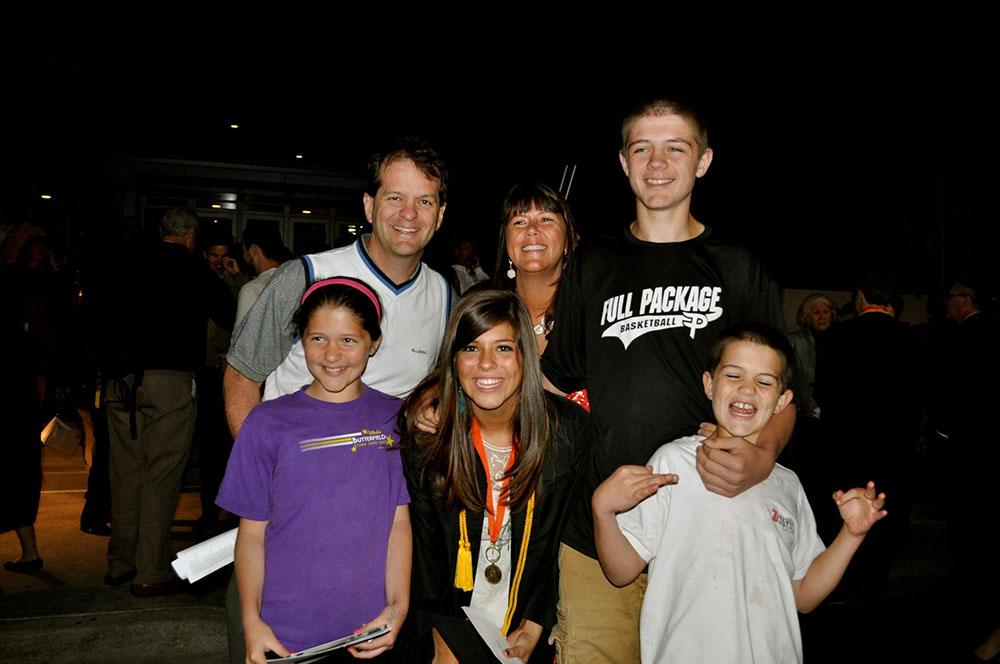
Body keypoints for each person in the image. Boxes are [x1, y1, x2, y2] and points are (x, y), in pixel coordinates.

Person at [539, 98, 793, 661]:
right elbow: (555, 382)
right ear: (623, 164)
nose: (657, 163)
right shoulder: (591, 262)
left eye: (675, 148)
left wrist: (763, 456)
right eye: (642, 149)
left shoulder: (737, 264)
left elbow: (784, 396)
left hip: (708, 529)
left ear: (702, 160)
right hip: (599, 528)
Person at [593, 322, 886, 663]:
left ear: (782, 401)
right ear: (709, 384)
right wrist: (603, 511)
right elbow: (622, 570)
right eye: (734, 375)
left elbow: (804, 595)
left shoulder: (787, 484)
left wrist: (851, 535)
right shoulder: (673, 462)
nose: (747, 390)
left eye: (764, 382)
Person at [217, 277, 411, 663]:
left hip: (369, 633)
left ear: (373, 343)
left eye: (349, 340)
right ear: (300, 341)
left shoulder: (395, 419)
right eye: (317, 338)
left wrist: (398, 606)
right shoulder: (267, 423)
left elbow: (398, 523)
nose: (332, 355)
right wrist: (252, 620)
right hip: (285, 634)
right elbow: (252, 535)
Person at [401, 290, 595, 663]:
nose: (486, 364)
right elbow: (425, 558)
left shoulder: (567, 435)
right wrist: (444, 639)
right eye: (471, 349)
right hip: (448, 626)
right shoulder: (428, 441)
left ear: (525, 355)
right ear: (454, 360)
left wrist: (536, 624)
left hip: (529, 625)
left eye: (503, 348)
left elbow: (563, 540)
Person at [225, 136, 453, 436]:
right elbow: (242, 377)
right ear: (369, 206)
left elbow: (446, 379)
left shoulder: (445, 297)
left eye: (424, 201)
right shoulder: (306, 277)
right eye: (395, 198)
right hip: (300, 470)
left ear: (439, 215)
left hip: (387, 476)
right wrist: (259, 467)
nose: (408, 213)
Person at [105, 207, 235, 596]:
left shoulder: (127, 261)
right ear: (191, 235)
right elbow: (228, 317)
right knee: (160, 478)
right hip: (170, 381)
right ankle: (150, 570)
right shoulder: (194, 270)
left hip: (120, 381)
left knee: (124, 475)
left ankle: (119, 563)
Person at [235, 224, 290, 326]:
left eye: (244, 252)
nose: (244, 257)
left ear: (253, 251)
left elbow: (241, 339)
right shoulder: (294, 282)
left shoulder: (251, 289)